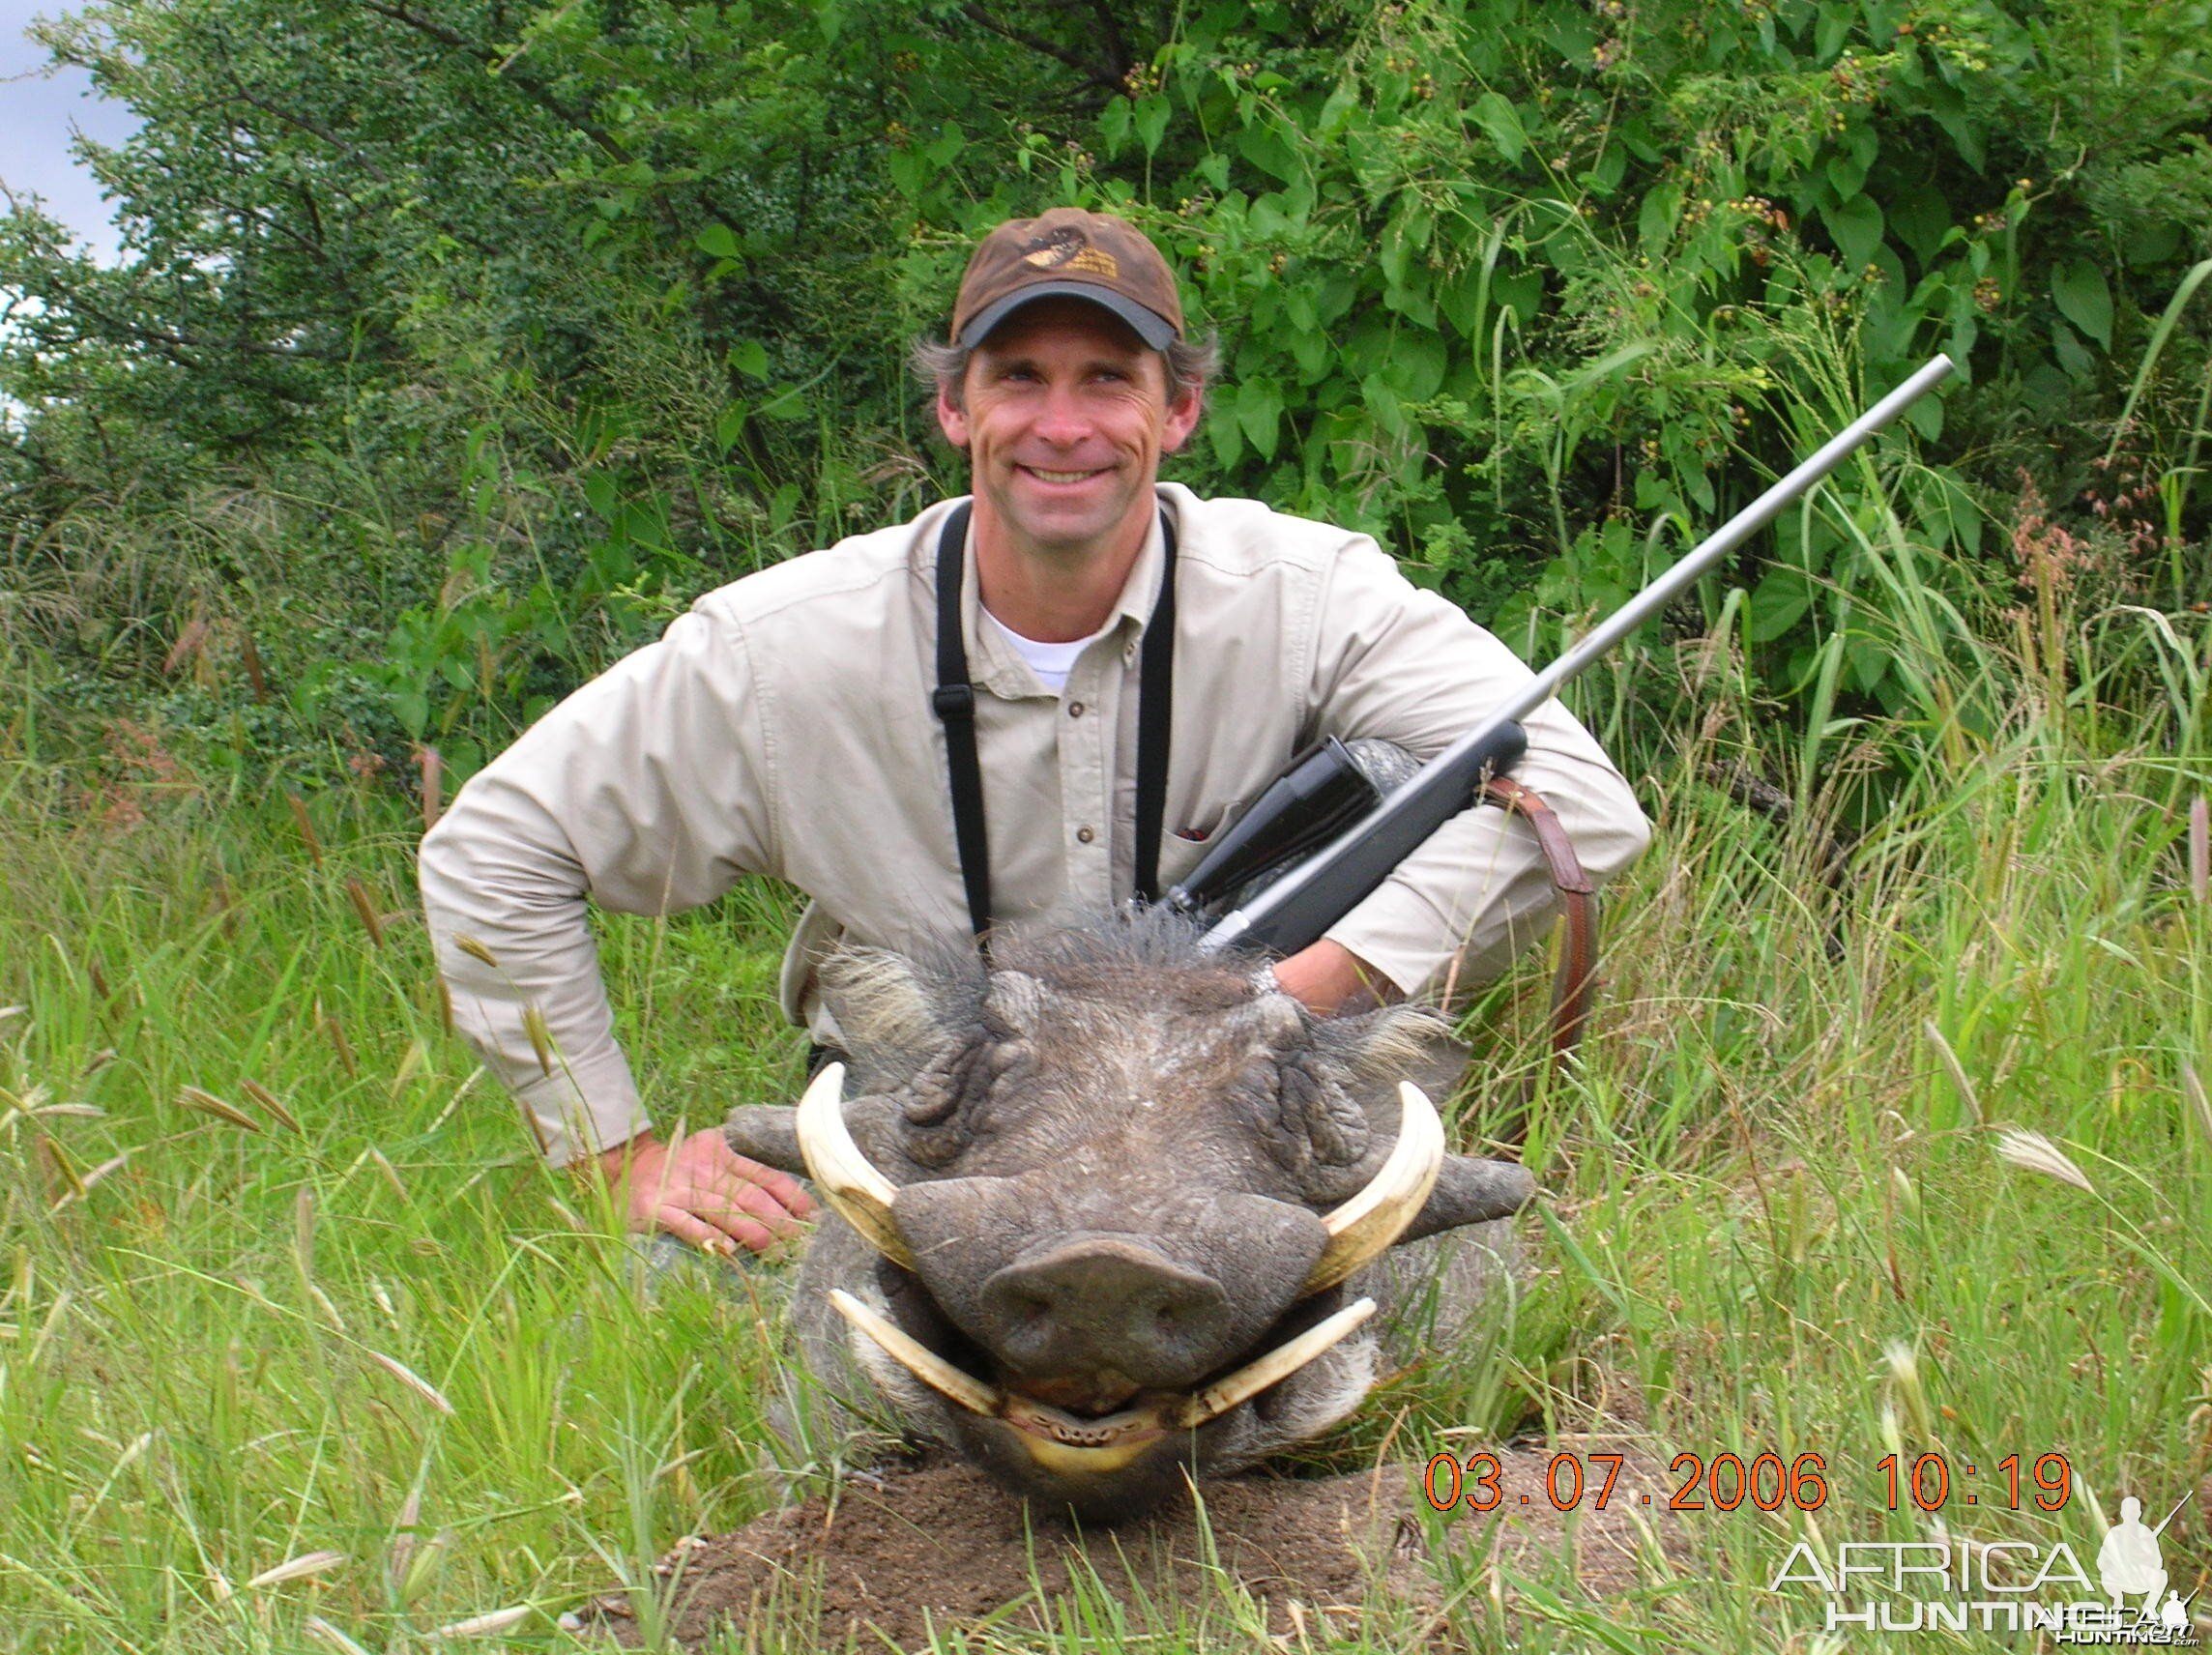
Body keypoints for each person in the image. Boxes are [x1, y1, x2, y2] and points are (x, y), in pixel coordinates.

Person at [418, 207, 1651, 1257]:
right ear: (955, 408)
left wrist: (1286, 997)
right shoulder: (780, 644)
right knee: (705, 1295)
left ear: (1178, 411)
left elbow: (1582, 804)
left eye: (1107, 379)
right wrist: (615, 1155)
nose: (1063, 424)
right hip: (944, 1116)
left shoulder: (1313, 593)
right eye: (1019, 379)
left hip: (1260, 1107)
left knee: (1455, 1295)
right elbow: (493, 848)